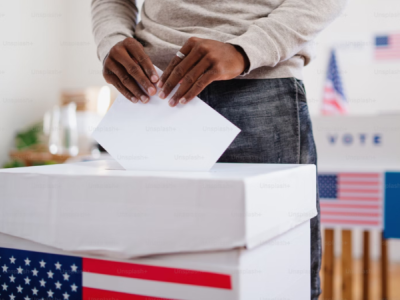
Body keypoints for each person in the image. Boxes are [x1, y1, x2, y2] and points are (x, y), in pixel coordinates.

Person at [91, 0, 346, 298]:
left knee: (279, 278)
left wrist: (244, 49)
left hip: (257, 82)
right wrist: (111, 41)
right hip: (153, 92)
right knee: (156, 270)